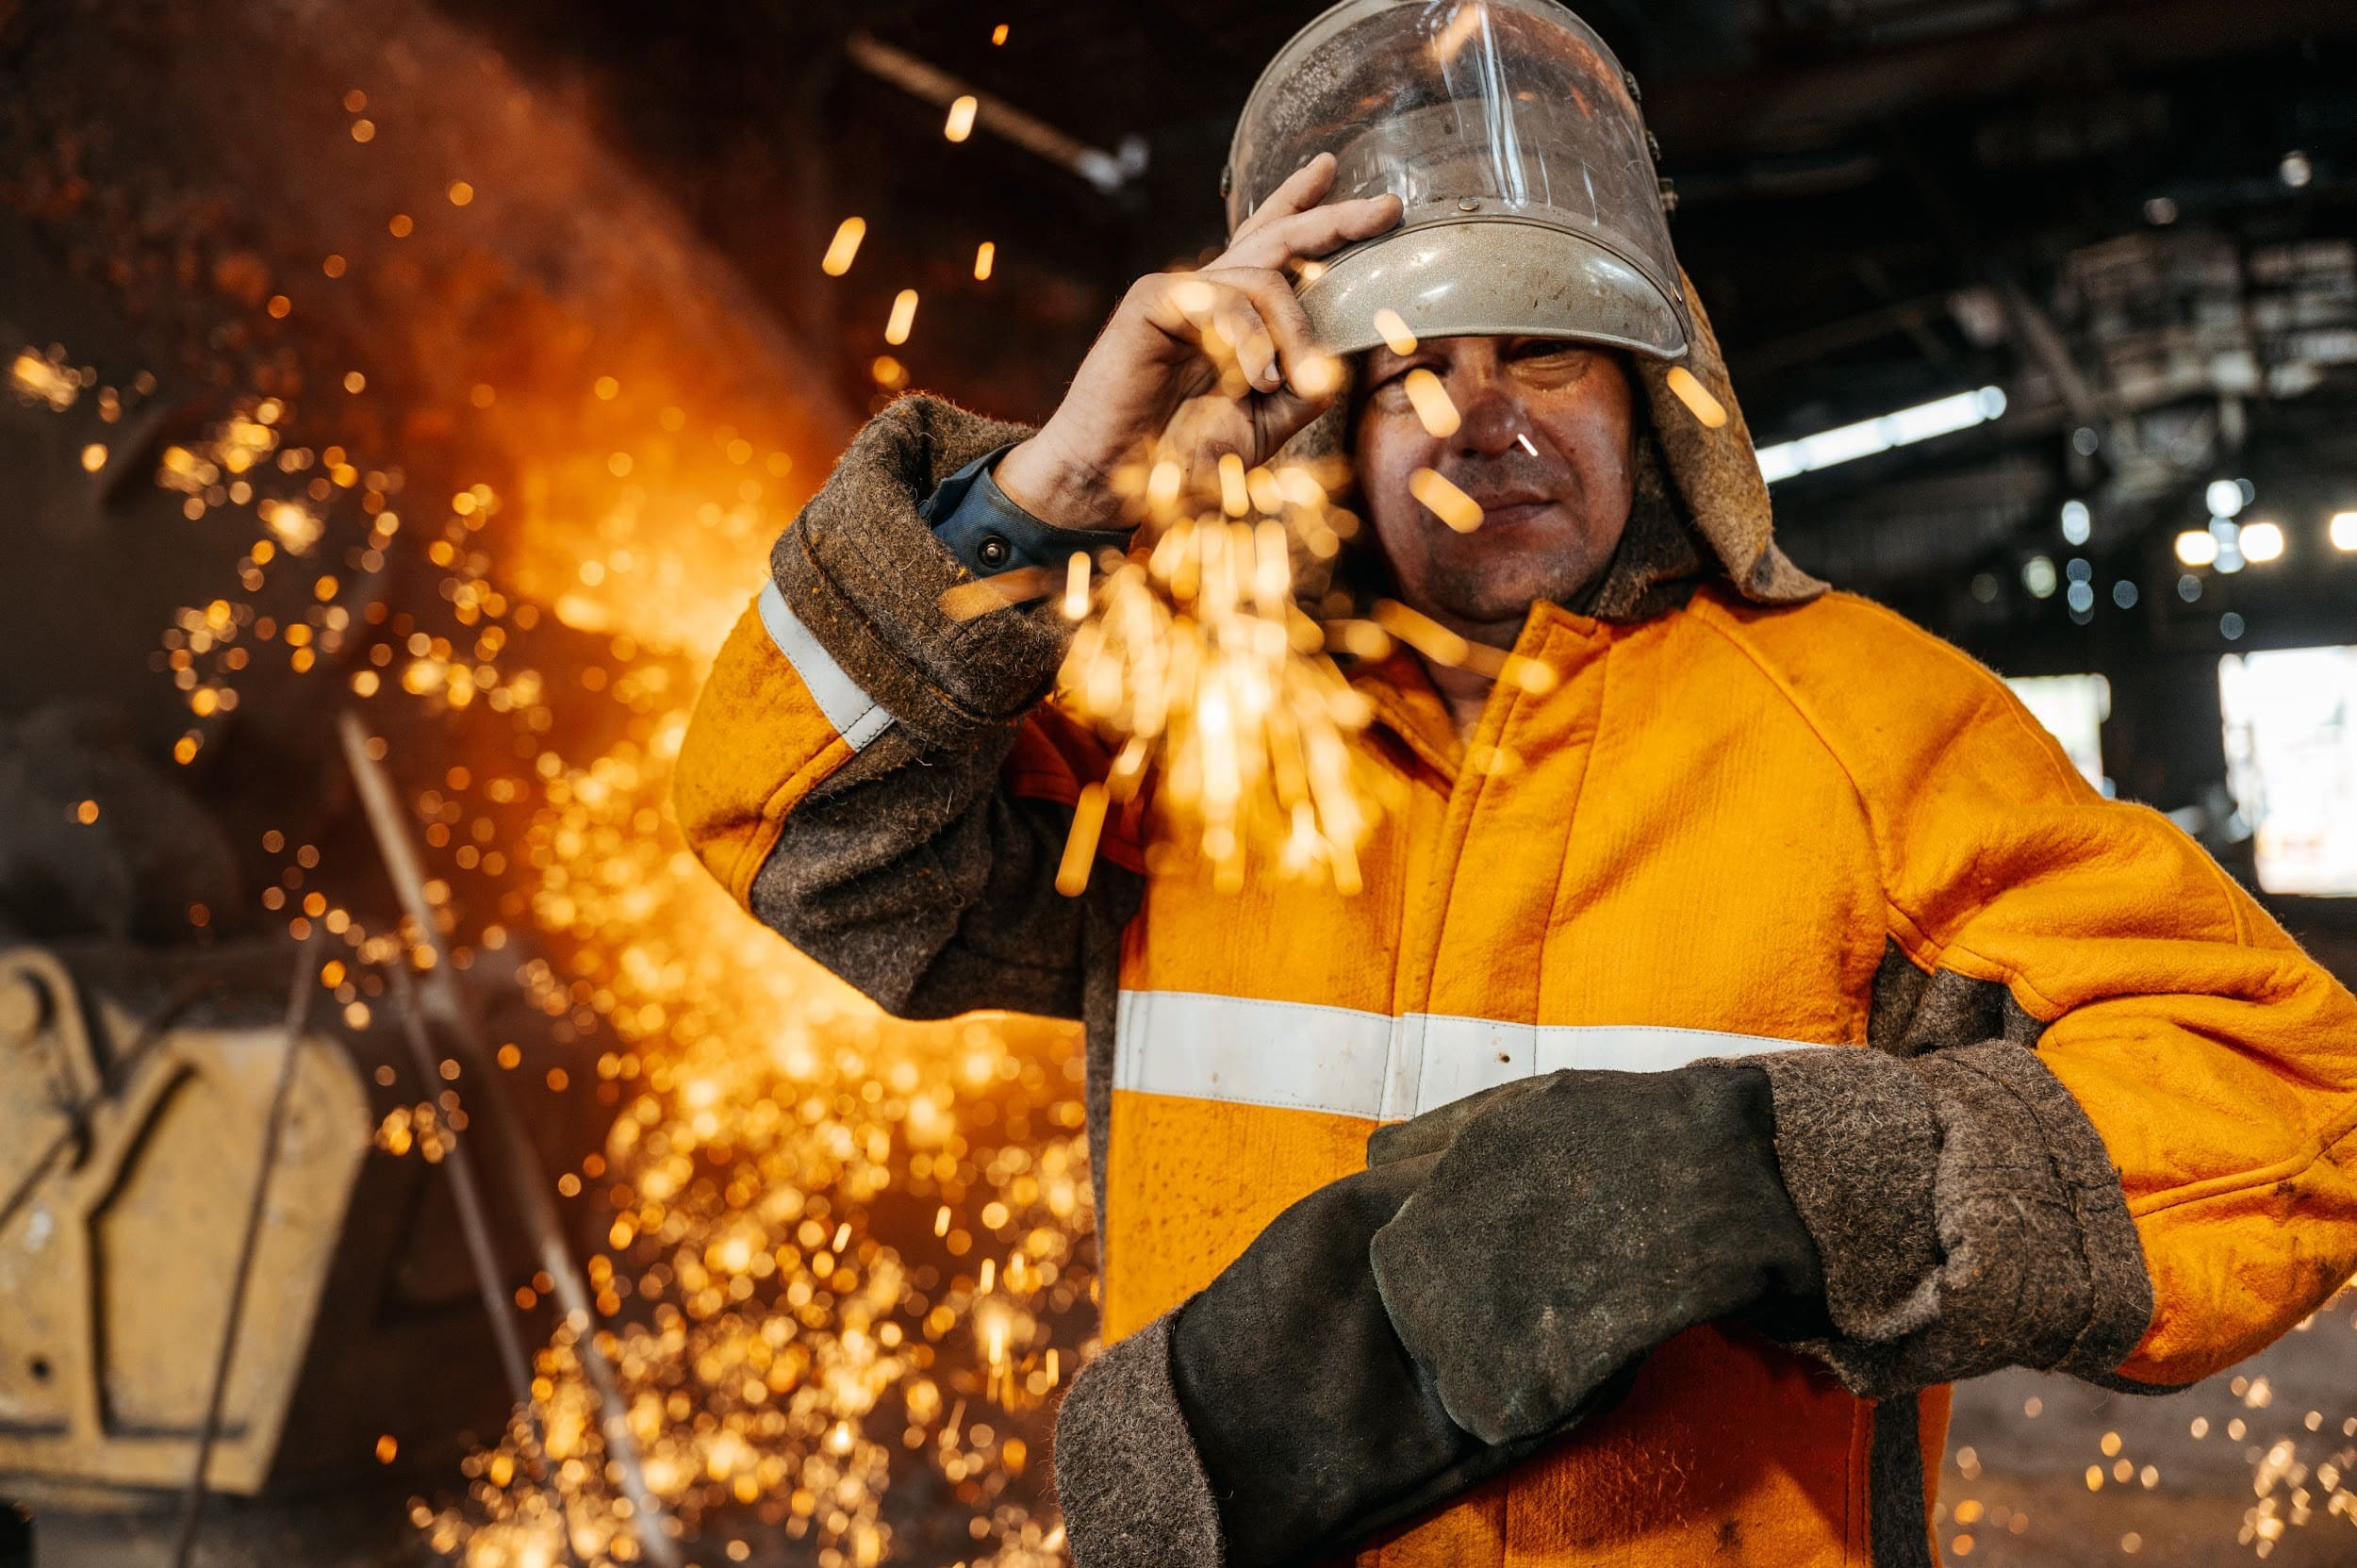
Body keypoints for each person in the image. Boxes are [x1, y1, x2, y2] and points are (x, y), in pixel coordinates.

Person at [676, 1, 2357, 1562]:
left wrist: (1783, 1177)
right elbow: (797, 831)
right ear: (1319, 414)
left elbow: (2294, 1103)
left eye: (1546, 349)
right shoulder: (1188, 718)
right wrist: (1046, 496)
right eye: (1414, 362)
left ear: (1652, 385)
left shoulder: (1868, 729)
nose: (1483, 418)